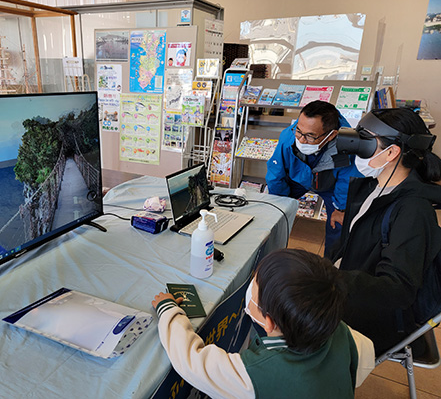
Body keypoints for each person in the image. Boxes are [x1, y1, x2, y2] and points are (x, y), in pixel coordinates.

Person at [152, 249, 375, 399]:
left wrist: (168, 310)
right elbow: (365, 360)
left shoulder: (254, 374)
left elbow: (193, 361)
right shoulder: (343, 333)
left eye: (255, 285)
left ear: (268, 322)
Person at [332, 108, 441, 356]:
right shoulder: (373, 186)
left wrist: (328, 278)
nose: (355, 142)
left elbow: (396, 289)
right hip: (349, 292)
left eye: (364, 138)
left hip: (375, 319)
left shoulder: (413, 211)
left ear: (391, 152)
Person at [266, 100, 362, 256]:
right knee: (273, 213)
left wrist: (340, 208)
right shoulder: (288, 137)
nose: (301, 140)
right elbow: (276, 172)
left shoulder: (347, 146)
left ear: (331, 135)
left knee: (338, 224)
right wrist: (278, 203)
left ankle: (331, 264)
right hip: (299, 179)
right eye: (299, 131)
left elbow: (348, 180)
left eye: (310, 136)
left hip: (331, 184)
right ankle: (271, 256)